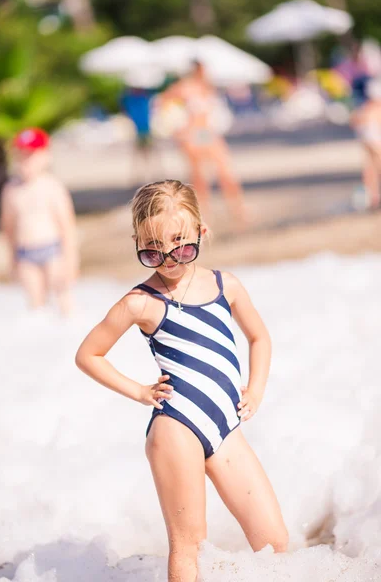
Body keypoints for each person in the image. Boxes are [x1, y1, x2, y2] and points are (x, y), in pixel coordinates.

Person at [75, 179, 288, 581]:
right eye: (151, 250)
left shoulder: (228, 286)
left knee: (273, 541)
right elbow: (88, 354)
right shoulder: (141, 302)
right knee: (190, 546)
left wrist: (256, 389)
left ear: (201, 233)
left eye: (181, 245)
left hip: (226, 427)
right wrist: (139, 391)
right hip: (177, 430)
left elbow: (259, 337)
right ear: (137, 241)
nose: (169, 258)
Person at [158, 62, 247, 226]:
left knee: (226, 174)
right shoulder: (185, 87)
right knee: (199, 179)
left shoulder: (207, 87)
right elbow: (161, 102)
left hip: (208, 133)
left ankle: (238, 211)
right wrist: (177, 129)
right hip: (194, 134)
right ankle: (203, 215)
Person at [0, 128, 78, 314]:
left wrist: (71, 261)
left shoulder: (52, 187)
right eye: (20, 155)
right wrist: (12, 260)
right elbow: (8, 228)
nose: (25, 161)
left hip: (53, 251)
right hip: (25, 254)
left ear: (46, 156)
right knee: (35, 306)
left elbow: (67, 227)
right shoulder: (11, 190)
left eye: (30, 155)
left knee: (63, 299)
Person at [350, 78, 381, 208]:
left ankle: (373, 197)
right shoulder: (374, 108)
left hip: (367, 138)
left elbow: (354, 121)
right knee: (374, 167)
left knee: (370, 169)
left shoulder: (365, 107)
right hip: (374, 139)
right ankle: (373, 197)